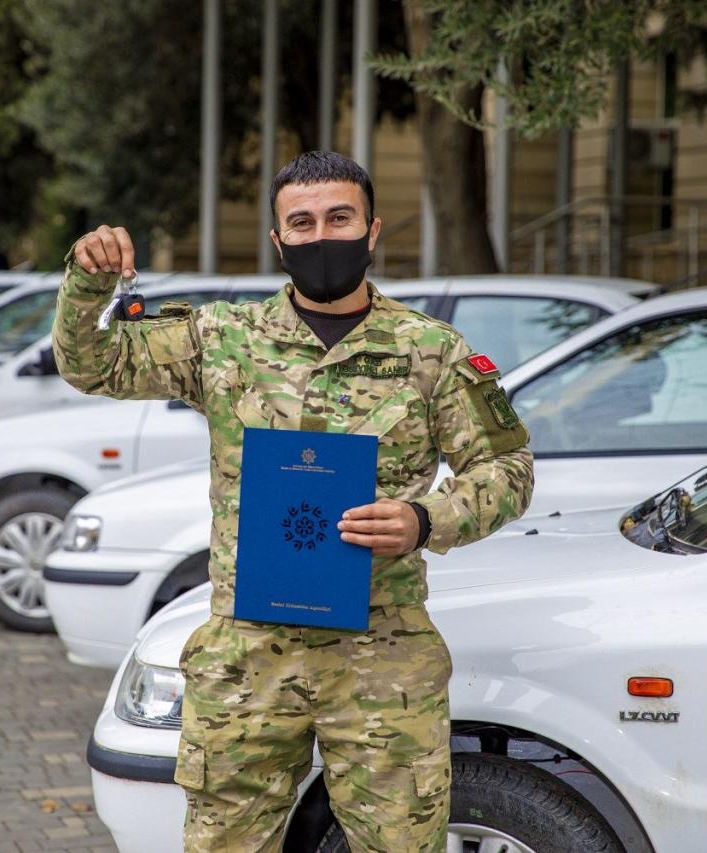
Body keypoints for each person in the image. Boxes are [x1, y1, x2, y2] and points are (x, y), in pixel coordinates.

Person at [53, 151, 534, 852]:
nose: (320, 236)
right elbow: (91, 363)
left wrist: (427, 518)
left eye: (339, 218)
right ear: (278, 242)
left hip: (382, 652)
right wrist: (88, 279)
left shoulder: (428, 350)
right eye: (300, 224)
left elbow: (508, 466)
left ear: (371, 231)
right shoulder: (222, 340)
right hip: (248, 654)